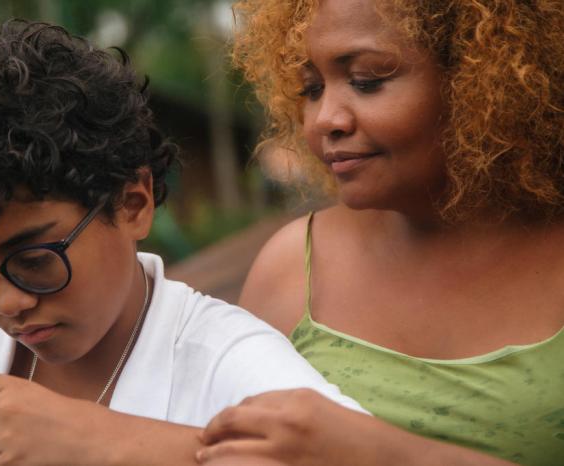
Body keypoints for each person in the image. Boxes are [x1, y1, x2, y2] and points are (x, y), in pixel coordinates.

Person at [0, 20, 367, 466]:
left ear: (132, 204)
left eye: (36, 259)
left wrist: (112, 445)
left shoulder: (227, 361)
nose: (9, 303)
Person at [196, 0, 564, 465]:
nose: (326, 119)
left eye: (367, 81)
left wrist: (374, 450)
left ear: (483, 78)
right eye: (311, 88)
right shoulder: (291, 269)